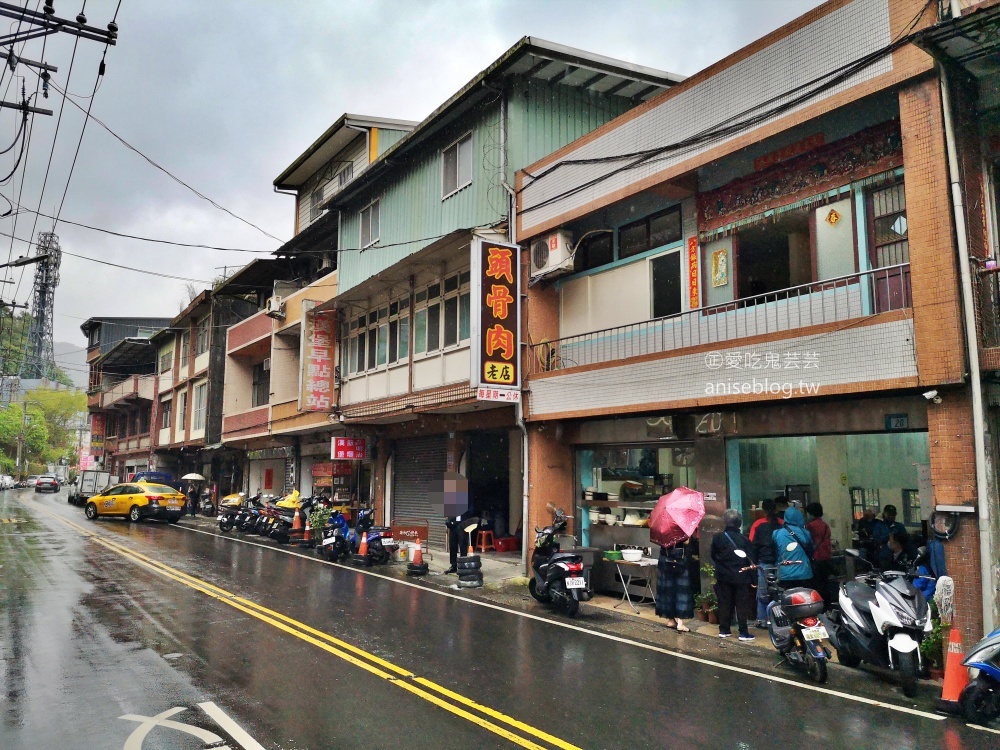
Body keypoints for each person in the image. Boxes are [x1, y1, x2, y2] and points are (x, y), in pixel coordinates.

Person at [711, 510, 757, 641]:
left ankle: (724, 630)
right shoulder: (744, 540)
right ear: (739, 523)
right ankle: (743, 632)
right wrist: (754, 579)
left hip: (723, 575)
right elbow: (751, 559)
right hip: (741, 576)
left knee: (724, 602)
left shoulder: (717, 538)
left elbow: (713, 555)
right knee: (741, 604)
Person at [750, 499, 783, 627]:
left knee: (763, 593)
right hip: (780, 564)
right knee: (779, 592)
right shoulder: (781, 524)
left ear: (763, 510)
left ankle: (762, 620)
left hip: (764, 563)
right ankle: (779, 620)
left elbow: (752, 544)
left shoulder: (758, 524)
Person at [655, 537, 693, 632]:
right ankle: (680, 623)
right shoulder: (683, 528)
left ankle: (670, 620)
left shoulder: (664, 530)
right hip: (680, 562)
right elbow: (687, 543)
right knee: (681, 591)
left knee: (667, 590)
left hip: (665, 561)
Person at [772, 507, 813, 589]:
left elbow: (775, 552)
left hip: (784, 575)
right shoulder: (805, 533)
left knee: (786, 599)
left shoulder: (776, 533)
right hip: (804, 573)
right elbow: (811, 550)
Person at [805, 502, 832, 604]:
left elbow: (808, 542)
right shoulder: (825, 525)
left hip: (815, 558)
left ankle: (818, 605)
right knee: (825, 583)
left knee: (816, 585)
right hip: (826, 558)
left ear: (811, 513)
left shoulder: (810, 526)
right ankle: (827, 605)